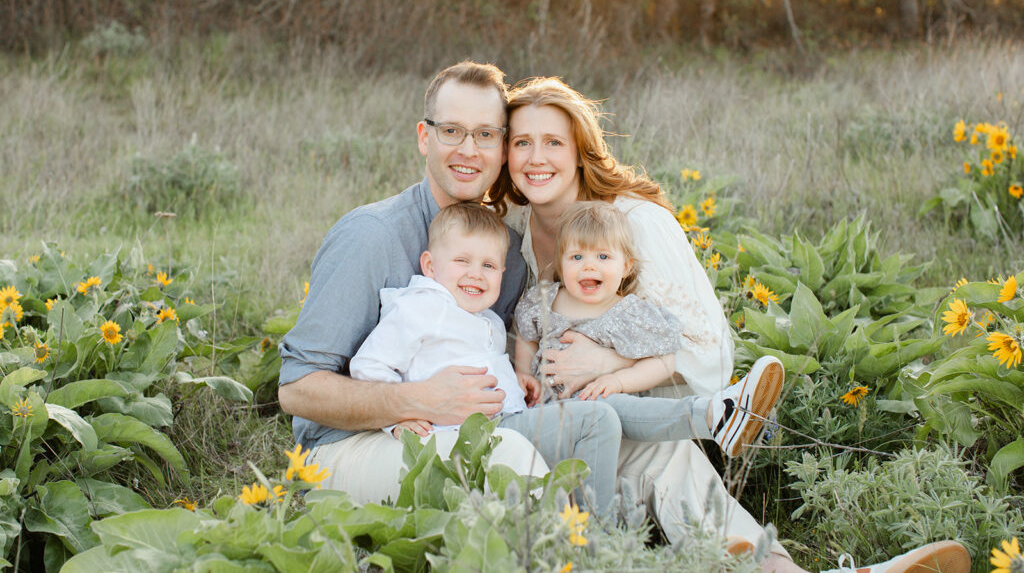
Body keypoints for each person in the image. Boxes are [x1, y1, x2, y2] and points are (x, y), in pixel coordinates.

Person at [494, 76, 971, 573]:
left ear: (580, 150)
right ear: (506, 154)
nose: (536, 158)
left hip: (648, 412)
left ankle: (780, 565)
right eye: (522, 142)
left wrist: (610, 363)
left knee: (665, 457)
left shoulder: (633, 223)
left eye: (553, 142)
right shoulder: (515, 237)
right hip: (558, 421)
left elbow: (710, 350)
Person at [277, 61, 621, 513]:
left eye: (485, 134)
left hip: (467, 431)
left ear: (502, 149)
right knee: (511, 457)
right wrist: (416, 400)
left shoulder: (505, 255)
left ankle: (603, 547)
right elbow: (297, 389)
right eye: (452, 131)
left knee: (593, 424)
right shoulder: (371, 236)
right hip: (343, 451)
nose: (468, 150)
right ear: (424, 136)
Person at [514, 200, 785, 458]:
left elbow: (665, 361)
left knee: (619, 408)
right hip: (546, 417)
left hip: (603, 410)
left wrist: (619, 381)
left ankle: (716, 415)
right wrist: (524, 375)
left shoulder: (630, 313)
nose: (589, 265)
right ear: (561, 263)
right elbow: (527, 336)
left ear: (626, 266)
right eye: (576, 256)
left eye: (603, 256)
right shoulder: (545, 300)